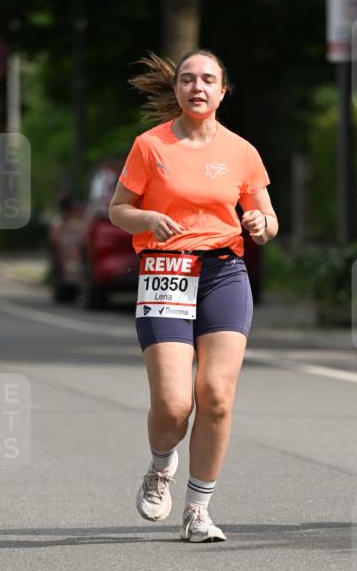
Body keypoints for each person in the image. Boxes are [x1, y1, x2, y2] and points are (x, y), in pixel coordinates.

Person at [109, 49, 278, 542]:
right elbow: (119, 209)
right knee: (174, 403)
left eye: (208, 80)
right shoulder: (149, 146)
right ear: (178, 89)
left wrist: (260, 224)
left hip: (224, 272)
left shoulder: (242, 151)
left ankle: (198, 509)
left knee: (217, 397)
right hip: (164, 271)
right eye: (187, 79)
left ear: (223, 90)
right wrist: (145, 219)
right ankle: (161, 467)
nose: (197, 87)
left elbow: (267, 220)